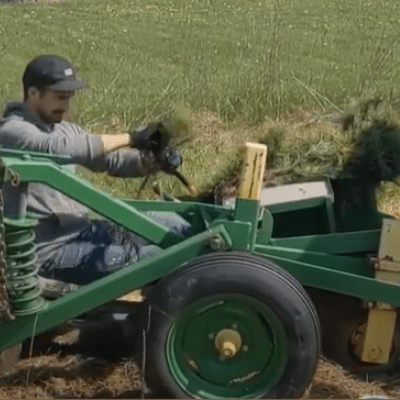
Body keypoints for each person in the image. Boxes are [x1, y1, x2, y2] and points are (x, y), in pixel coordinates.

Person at [0, 55, 194, 292]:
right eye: (60, 97)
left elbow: (110, 160)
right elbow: (58, 149)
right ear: (32, 94)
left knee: (178, 226)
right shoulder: (12, 131)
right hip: (48, 252)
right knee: (159, 257)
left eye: (69, 98)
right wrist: (132, 138)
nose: (66, 105)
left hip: (81, 230)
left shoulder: (63, 127)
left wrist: (151, 161)